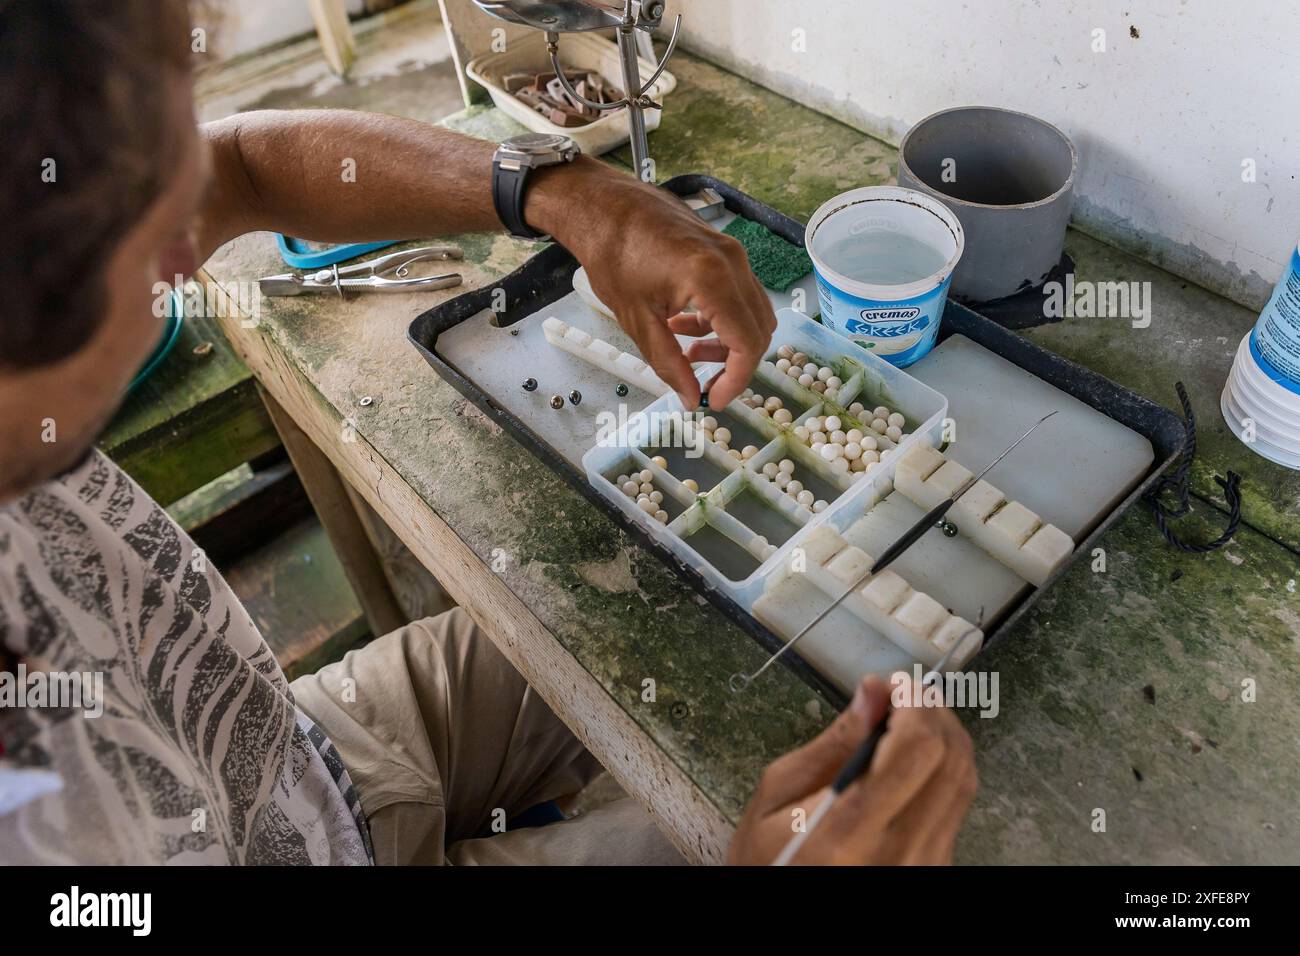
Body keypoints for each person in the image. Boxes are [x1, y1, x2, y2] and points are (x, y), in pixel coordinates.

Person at [0, 0, 975, 865]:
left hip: (295, 750)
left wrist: (568, 194)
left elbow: (239, 169)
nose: (189, 232)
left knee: (668, 627)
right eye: (134, 229)